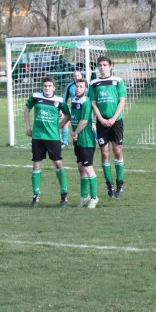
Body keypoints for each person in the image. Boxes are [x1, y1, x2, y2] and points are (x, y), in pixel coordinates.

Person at [24, 77, 71, 207]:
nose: (47, 88)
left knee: (58, 163)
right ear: (42, 87)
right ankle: (36, 195)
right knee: (36, 165)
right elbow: (27, 110)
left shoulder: (59, 101)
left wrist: (60, 126)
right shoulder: (35, 97)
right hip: (38, 137)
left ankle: (64, 194)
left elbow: (68, 115)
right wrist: (28, 127)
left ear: (54, 87)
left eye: (50, 86)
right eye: (45, 86)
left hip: (53, 137)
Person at [89, 56, 127, 198]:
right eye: (100, 65)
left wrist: (113, 118)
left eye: (105, 64)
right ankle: (109, 184)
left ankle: (120, 183)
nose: (102, 67)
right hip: (101, 122)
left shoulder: (118, 81)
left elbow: (122, 100)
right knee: (104, 152)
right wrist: (100, 119)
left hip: (116, 121)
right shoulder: (94, 83)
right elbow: (93, 103)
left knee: (117, 149)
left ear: (111, 66)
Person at [69, 78, 99, 208]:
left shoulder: (86, 102)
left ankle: (94, 197)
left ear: (86, 89)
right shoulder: (74, 100)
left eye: (81, 87)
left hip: (86, 140)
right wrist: (72, 131)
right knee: (81, 168)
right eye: (77, 86)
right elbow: (72, 118)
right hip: (77, 140)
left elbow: (84, 121)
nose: (78, 89)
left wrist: (75, 132)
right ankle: (84, 196)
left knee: (88, 167)